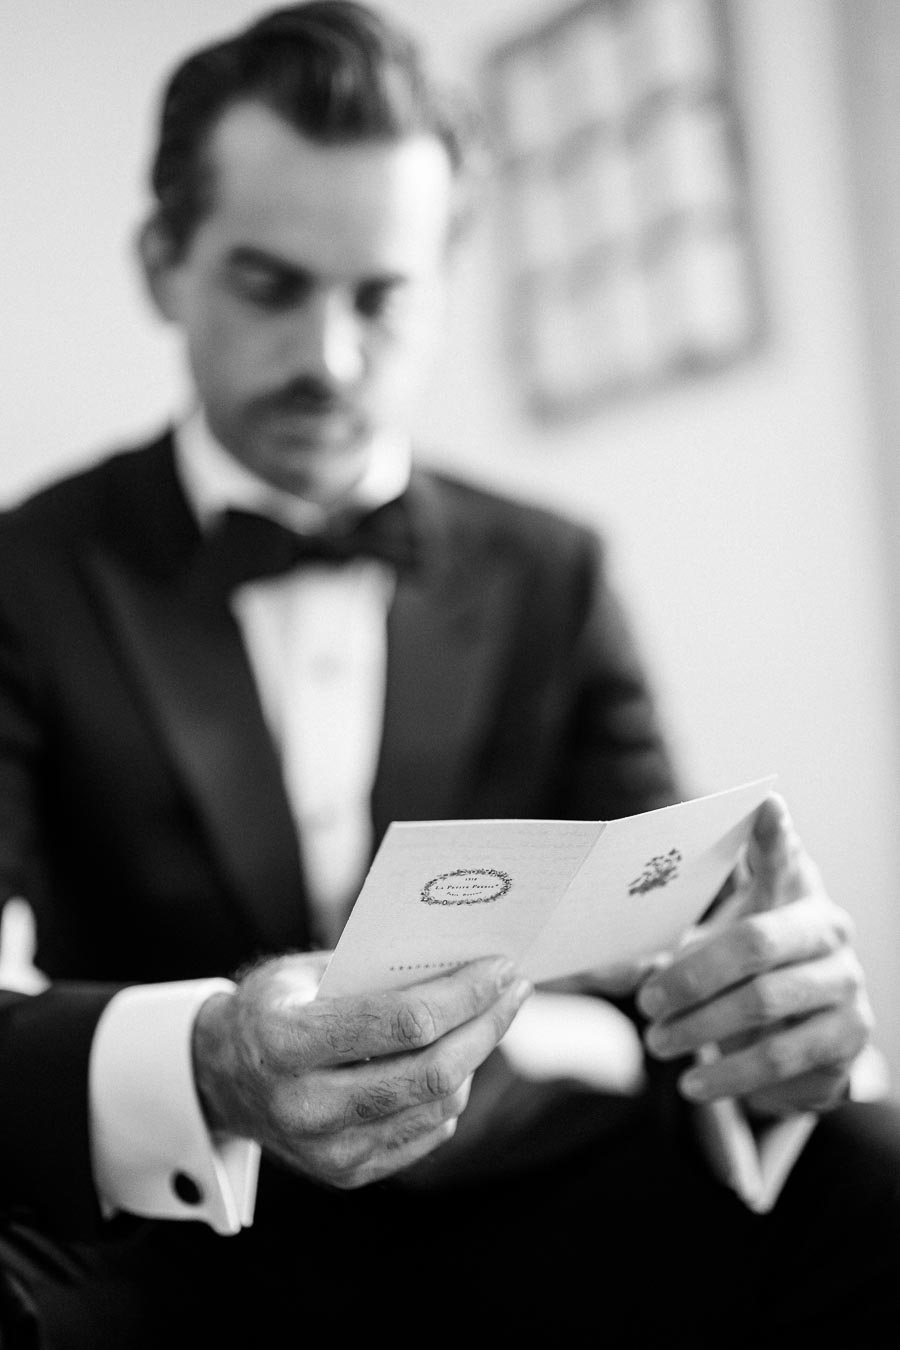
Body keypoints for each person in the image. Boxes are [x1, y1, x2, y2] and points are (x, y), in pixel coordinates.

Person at [0, 3, 897, 1345]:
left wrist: (769, 1018)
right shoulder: (23, 573)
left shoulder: (557, 568)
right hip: (174, 1232)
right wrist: (213, 1064)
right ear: (160, 262)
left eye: (383, 294)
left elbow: (672, 919)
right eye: (269, 285)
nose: (330, 358)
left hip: (518, 1198)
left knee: (872, 1168)